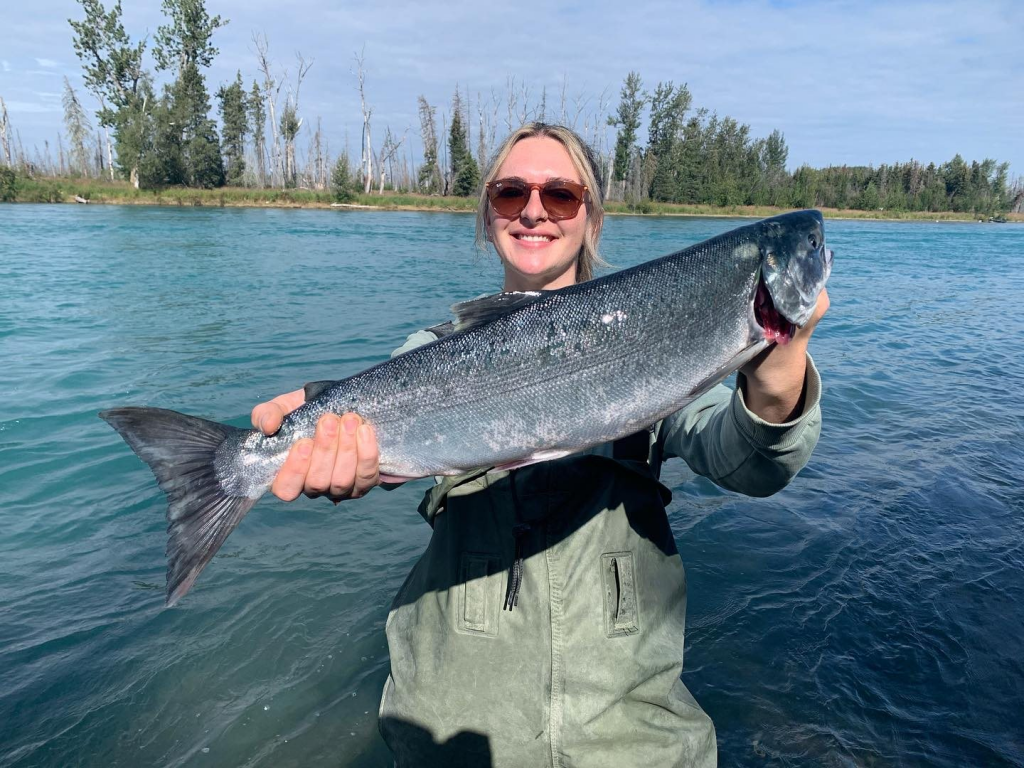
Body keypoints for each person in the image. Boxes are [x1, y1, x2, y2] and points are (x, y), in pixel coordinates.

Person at [251, 123, 828, 767]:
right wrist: (315, 441)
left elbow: (741, 459)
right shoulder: (429, 355)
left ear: (592, 219)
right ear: (486, 216)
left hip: (633, 743)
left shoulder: (653, 332)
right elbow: (365, 437)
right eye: (509, 194)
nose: (532, 211)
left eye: (559, 195)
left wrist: (777, 392)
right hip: (456, 735)